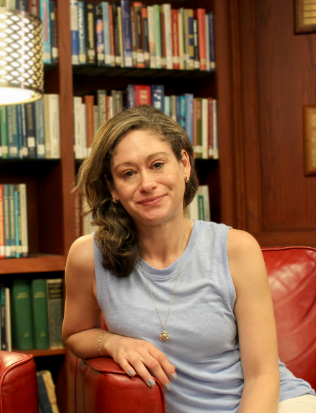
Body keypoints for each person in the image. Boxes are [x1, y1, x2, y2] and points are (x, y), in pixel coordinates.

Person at [63, 105, 316, 413]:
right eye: (128, 173)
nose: (147, 183)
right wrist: (114, 343)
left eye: (157, 165)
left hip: (272, 404)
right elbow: (75, 334)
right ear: (112, 187)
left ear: (184, 164)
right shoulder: (87, 256)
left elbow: (262, 375)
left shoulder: (238, 249)